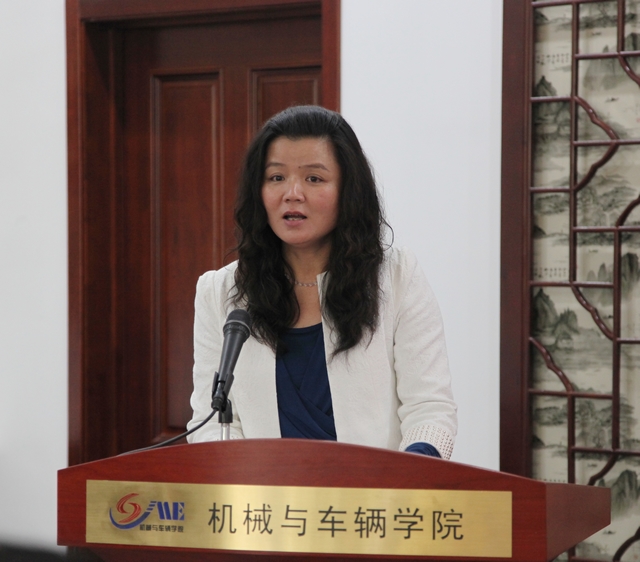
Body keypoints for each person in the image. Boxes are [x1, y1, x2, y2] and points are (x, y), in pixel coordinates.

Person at [186, 105, 457, 459]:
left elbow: (430, 408)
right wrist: (247, 479)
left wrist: (411, 473)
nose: (292, 193)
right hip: (265, 492)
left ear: (348, 191)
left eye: (314, 178)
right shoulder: (220, 293)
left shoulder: (397, 277)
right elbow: (209, 421)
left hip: (377, 491)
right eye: (276, 177)